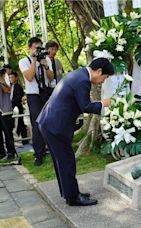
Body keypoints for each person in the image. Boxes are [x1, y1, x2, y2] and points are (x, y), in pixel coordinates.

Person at [37, 57, 114, 206]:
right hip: (55, 125)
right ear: (99, 71)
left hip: (49, 122)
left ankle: (70, 192)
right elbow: (85, 106)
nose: (103, 81)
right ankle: (73, 198)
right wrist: (103, 104)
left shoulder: (80, 74)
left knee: (62, 161)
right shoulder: (83, 81)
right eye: (104, 78)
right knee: (67, 161)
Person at [19, 37, 54, 166]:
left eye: (40, 47)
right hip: (33, 95)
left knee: (49, 121)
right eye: (35, 48)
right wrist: (34, 61)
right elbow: (29, 77)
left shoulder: (47, 59)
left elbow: (51, 77)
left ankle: (50, 148)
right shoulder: (24, 61)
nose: (38, 50)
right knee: (36, 124)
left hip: (46, 92)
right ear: (30, 48)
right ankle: (38, 154)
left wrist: (45, 66)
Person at [9, 72, 28, 145]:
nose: (11, 79)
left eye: (12, 77)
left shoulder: (19, 87)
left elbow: (18, 98)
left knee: (21, 122)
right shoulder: (9, 86)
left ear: (16, 78)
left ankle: (24, 140)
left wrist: (12, 102)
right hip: (10, 107)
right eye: (10, 77)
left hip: (17, 106)